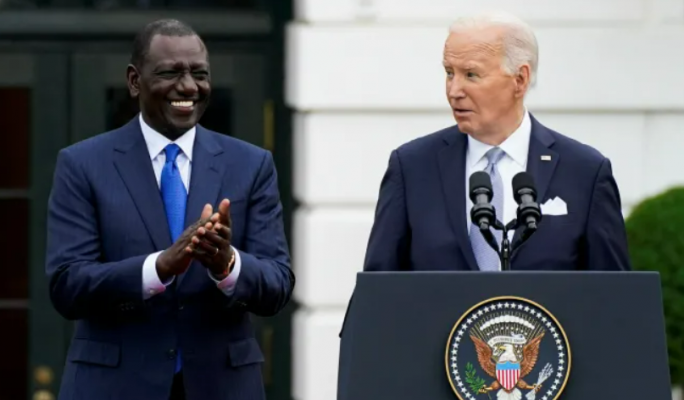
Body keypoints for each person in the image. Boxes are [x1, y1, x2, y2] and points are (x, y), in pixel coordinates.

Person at [45, 19, 294, 400]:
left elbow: (277, 285)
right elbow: (67, 284)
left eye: (200, 74)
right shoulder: (82, 165)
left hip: (221, 387)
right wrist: (158, 268)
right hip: (114, 388)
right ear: (135, 81)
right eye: (171, 73)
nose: (189, 86)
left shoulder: (251, 165)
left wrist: (227, 264)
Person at [363, 12, 631, 272]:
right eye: (449, 73)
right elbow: (377, 290)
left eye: (471, 74)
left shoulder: (585, 172)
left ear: (520, 80)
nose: (454, 91)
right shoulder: (412, 168)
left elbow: (613, 294)